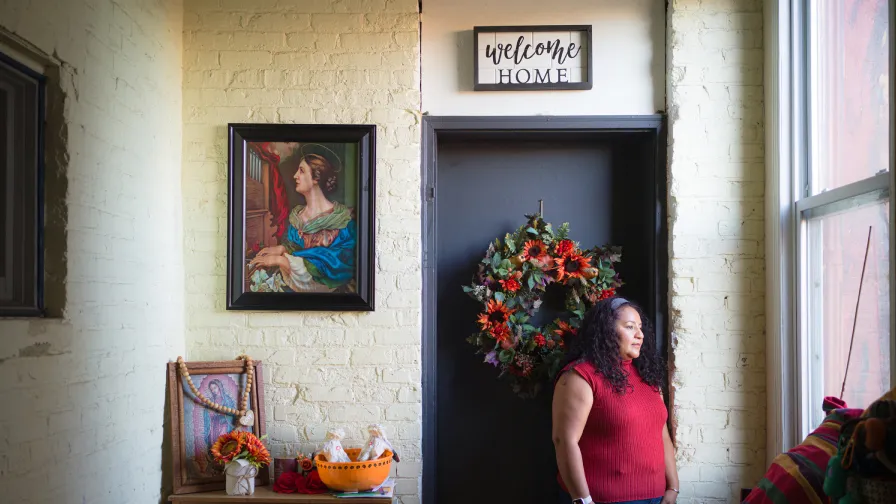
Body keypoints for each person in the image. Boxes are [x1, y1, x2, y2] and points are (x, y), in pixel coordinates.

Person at [552, 297, 679, 504]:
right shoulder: (580, 377)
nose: (640, 335)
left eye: (640, 327)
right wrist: (582, 500)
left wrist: (673, 488)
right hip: (601, 499)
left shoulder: (648, 376)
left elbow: (662, 435)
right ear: (606, 331)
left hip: (657, 498)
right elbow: (565, 441)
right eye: (630, 327)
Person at [248, 144, 356, 293]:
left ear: (316, 178)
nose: (295, 176)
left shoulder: (342, 221)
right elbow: (297, 249)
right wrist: (281, 249)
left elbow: (336, 270)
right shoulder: (297, 217)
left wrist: (281, 260)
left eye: (301, 171)